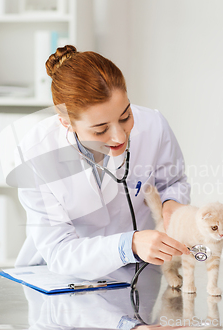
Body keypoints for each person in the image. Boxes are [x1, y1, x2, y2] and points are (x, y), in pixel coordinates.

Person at [14, 45, 191, 280]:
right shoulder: (35, 152)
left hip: (137, 273)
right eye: (100, 129)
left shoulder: (153, 125)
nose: (120, 136)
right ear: (66, 122)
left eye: (125, 116)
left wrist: (172, 204)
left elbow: (173, 181)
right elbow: (59, 250)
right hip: (61, 279)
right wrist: (128, 245)